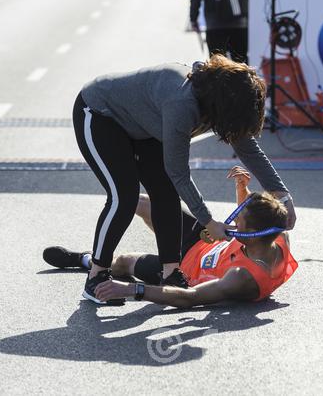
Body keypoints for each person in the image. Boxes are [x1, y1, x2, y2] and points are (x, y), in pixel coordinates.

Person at [72, 54, 296, 305]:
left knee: (165, 193)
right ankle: (97, 275)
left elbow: (249, 150)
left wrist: (283, 196)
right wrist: (208, 221)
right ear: (224, 107)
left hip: (145, 125)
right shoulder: (182, 104)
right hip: (101, 113)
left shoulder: (221, 103)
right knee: (124, 196)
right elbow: (179, 172)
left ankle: (170, 273)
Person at [43, 167, 298, 307]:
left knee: (124, 263)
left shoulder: (243, 277)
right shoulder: (275, 234)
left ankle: (85, 260)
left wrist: (131, 289)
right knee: (140, 202)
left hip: (183, 271)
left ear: (250, 235)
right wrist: (243, 191)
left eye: (237, 222)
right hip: (203, 240)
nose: (231, 222)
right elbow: (256, 220)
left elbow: (190, 298)